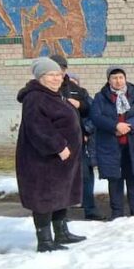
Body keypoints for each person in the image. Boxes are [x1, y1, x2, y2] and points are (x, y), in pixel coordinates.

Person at [16, 58, 86, 252]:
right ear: (40, 77)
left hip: (61, 160)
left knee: (60, 194)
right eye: (51, 75)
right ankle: (45, 240)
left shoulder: (55, 95)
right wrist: (59, 146)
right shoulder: (35, 97)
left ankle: (61, 232)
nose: (56, 79)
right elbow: (38, 127)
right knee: (44, 198)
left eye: (58, 74)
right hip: (44, 160)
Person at [90, 66, 134, 219]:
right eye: (114, 78)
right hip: (111, 145)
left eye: (120, 78)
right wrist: (115, 126)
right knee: (114, 178)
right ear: (109, 80)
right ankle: (117, 213)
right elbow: (96, 117)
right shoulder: (101, 97)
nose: (118, 81)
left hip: (133, 144)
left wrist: (129, 126)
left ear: (125, 78)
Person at [51, 54, 102, 221]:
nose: (59, 72)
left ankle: (90, 209)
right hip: (57, 141)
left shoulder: (74, 89)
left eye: (62, 69)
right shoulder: (46, 90)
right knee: (60, 177)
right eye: (56, 69)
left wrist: (80, 105)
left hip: (78, 140)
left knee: (86, 174)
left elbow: (92, 110)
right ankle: (59, 213)